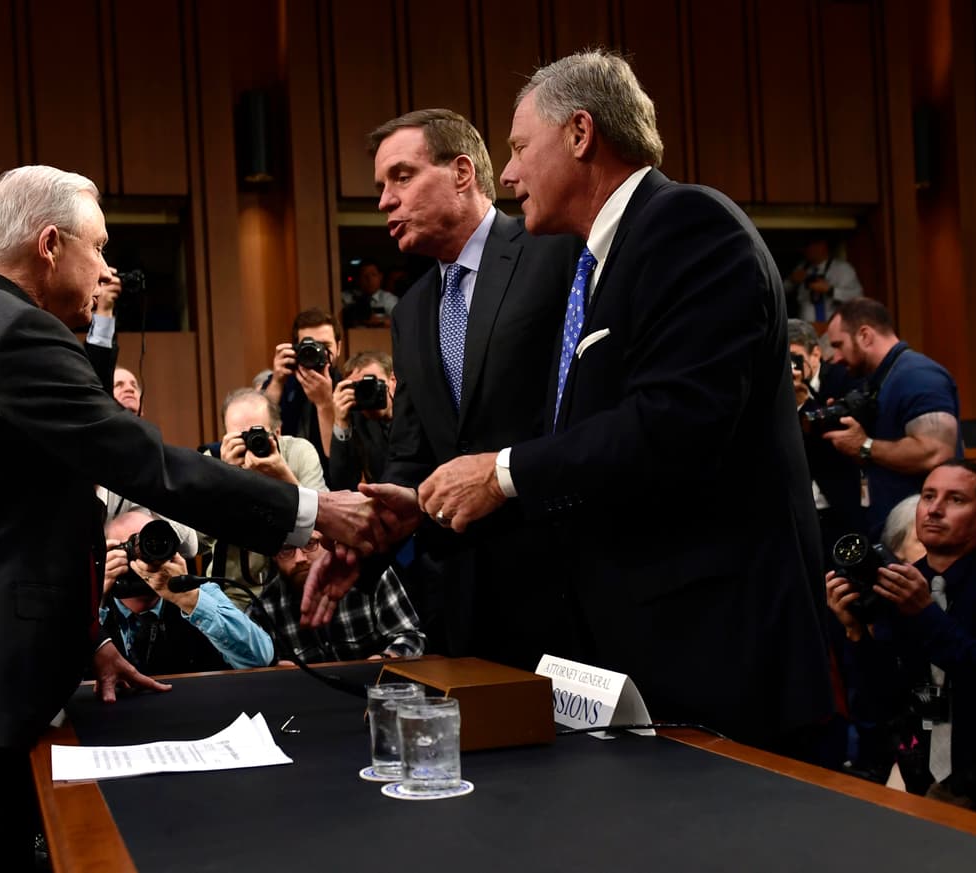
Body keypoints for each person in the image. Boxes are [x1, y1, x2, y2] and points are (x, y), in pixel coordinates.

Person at [0, 165, 380, 873]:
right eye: (95, 248)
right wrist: (312, 511)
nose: (104, 268)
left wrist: (84, 638)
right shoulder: (14, 336)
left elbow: (28, 519)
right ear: (48, 244)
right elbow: (144, 462)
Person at [345, 50, 833, 749]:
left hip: (720, 651)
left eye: (517, 149)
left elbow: (673, 424)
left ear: (580, 134)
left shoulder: (687, 225)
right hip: (637, 650)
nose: (506, 174)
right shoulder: (601, 261)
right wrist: (425, 499)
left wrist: (503, 472)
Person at [348, 108, 579, 668]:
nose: (384, 201)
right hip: (455, 601)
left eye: (401, 177)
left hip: (563, 586)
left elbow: (579, 416)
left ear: (461, 172)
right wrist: (385, 508)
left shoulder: (554, 252)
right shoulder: (410, 311)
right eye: (382, 186)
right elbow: (411, 450)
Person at [826, 460, 976, 815]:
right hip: (926, 772)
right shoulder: (901, 583)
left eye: (956, 499)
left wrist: (925, 614)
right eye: (928, 496)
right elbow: (883, 702)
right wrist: (856, 632)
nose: (934, 509)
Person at [823, 298, 961, 538]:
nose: (835, 357)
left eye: (838, 345)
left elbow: (936, 452)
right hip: (891, 525)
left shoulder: (918, 375)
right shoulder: (879, 378)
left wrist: (865, 446)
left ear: (865, 335)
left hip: (921, 533)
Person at [99, 512, 273, 673]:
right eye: (128, 548)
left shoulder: (197, 592)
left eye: (154, 544)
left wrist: (189, 599)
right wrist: (93, 600)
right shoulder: (93, 602)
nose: (143, 555)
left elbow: (259, 658)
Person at [204, 387, 326, 609]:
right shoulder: (212, 463)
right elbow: (197, 540)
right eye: (241, 437)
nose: (252, 442)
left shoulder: (298, 452)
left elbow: (324, 522)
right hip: (236, 595)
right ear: (225, 438)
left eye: (258, 433)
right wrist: (226, 478)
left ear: (277, 433)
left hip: (297, 588)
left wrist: (283, 476)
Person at [249, 532, 423, 664]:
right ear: (273, 557)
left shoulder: (370, 577)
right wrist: (273, 670)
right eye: (286, 549)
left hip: (376, 693)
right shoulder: (263, 608)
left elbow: (411, 638)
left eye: (310, 543)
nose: (300, 558)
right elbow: (251, 672)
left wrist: (382, 660)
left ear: (330, 542)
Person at [788, 318, 866, 555]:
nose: (791, 367)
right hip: (795, 511)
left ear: (816, 354)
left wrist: (804, 402)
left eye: (796, 357)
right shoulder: (774, 389)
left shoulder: (843, 379)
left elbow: (838, 440)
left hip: (839, 505)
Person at [261, 308, 343, 471]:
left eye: (325, 345)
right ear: (295, 349)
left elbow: (342, 456)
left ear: (338, 347)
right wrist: (277, 381)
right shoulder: (283, 381)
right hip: (284, 474)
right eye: (310, 346)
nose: (317, 352)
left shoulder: (344, 386)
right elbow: (259, 423)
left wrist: (325, 403)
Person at [328, 350, 395, 490]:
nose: (367, 392)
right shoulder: (358, 420)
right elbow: (343, 484)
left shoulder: (415, 413)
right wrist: (341, 422)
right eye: (360, 387)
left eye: (372, 383)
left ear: (393, 380)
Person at [783, 236, 863, 323]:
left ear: (823, 246)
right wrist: (791, 280)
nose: (807, 249)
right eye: (806, 246)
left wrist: (830, 290)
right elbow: (781, 292)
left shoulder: (843, 269)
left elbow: (857, 298)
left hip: (834, 326)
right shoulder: (801, 268)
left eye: (811, 245)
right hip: (806, 327)